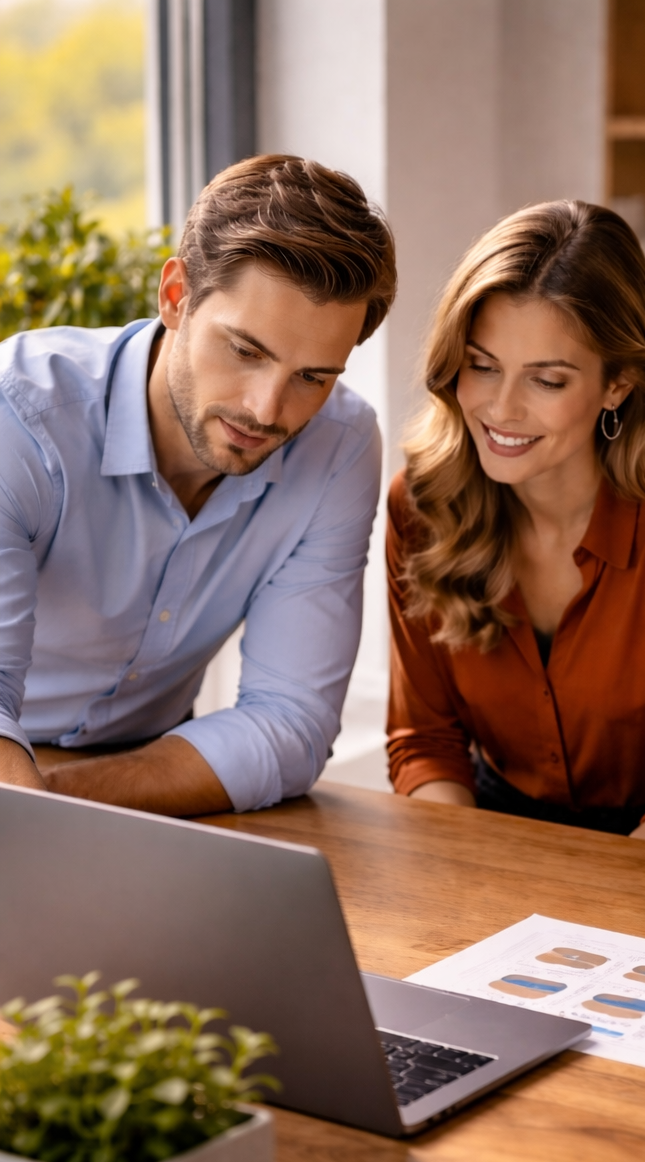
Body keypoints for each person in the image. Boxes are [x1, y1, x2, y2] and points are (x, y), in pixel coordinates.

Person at [0, 153, 396, 817]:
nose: (268, 410)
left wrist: (56, 807)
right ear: (176, 297)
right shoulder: (20, 420)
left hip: (139, 788)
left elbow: (289, 724)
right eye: (246, 351)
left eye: (314, 377)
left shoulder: (340, 446)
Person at [386, 201, 645, 842]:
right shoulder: (422, 506)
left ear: (616, 384)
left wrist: (600, 894)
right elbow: (425, 743)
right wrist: (462, 869)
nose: (501, 409)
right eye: (482, 366)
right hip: (480, 833)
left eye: (547, 381)